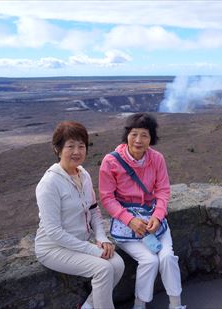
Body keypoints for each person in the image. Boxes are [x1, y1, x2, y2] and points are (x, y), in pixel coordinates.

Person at [99, 113, 185, 309]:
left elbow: (163, 190)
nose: (138, 140)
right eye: (134, 134)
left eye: (144, 135)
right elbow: (107, 198)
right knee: (149, 261)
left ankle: (176, 304)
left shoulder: (157, 159)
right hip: (126, 223)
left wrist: (158, 215)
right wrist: (129, 220)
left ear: (151, 138)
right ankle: (139, 305)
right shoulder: (111, 161)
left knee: (167, 257)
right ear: (127, 135)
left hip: (153, 220)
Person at [35, 121, 125, 309]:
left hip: (79, 243)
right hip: (53, 248)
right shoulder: (49, 184)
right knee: (102, 269)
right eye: (70, 146)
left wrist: (101, 238)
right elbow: (53, 232)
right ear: (57, 149)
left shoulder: (83, 175)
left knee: (118, 264)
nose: (77, 151)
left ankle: (88, 306)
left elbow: (93, 209)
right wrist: (93, 250)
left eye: (81, 146)